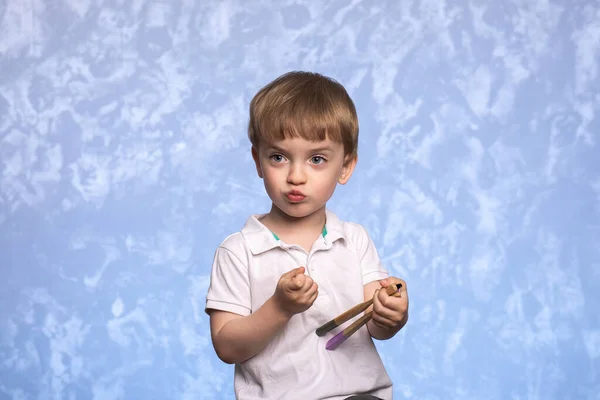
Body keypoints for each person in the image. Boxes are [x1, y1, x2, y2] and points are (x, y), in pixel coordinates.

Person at [205, 71, 409, 400]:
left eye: (317, 159)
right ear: (257, 161)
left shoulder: (353, 239)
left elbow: (376, 325)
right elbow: (227, 347)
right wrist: (280, 307)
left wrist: (392, 312)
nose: (296, 176)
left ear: (345, 166)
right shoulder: (238, 250)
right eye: (278, 157)